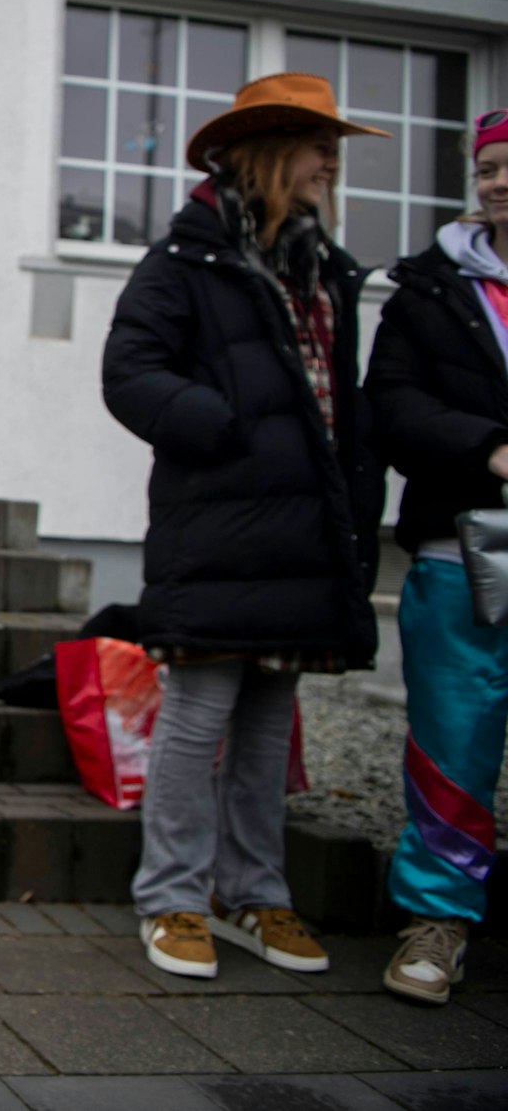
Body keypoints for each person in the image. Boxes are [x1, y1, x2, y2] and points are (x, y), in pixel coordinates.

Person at [102, 73, 388, 979]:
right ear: (265, 154)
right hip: (220, 526)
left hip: (306, 533)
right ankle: (174, 896)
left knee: (270, 721)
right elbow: (130, 372)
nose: (332, 162)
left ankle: (253, 892)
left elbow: (339, 403)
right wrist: (225, 429)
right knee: (197, 716)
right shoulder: (186, 260)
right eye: (316, 143)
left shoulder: (325, 270)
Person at [363, 109, 508, 1005]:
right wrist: (492, 449)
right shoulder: (427, 288)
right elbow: (393, 404)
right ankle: (436, 922)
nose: (495, 183)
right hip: (464, 551)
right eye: (488, 168)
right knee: (454, 740)